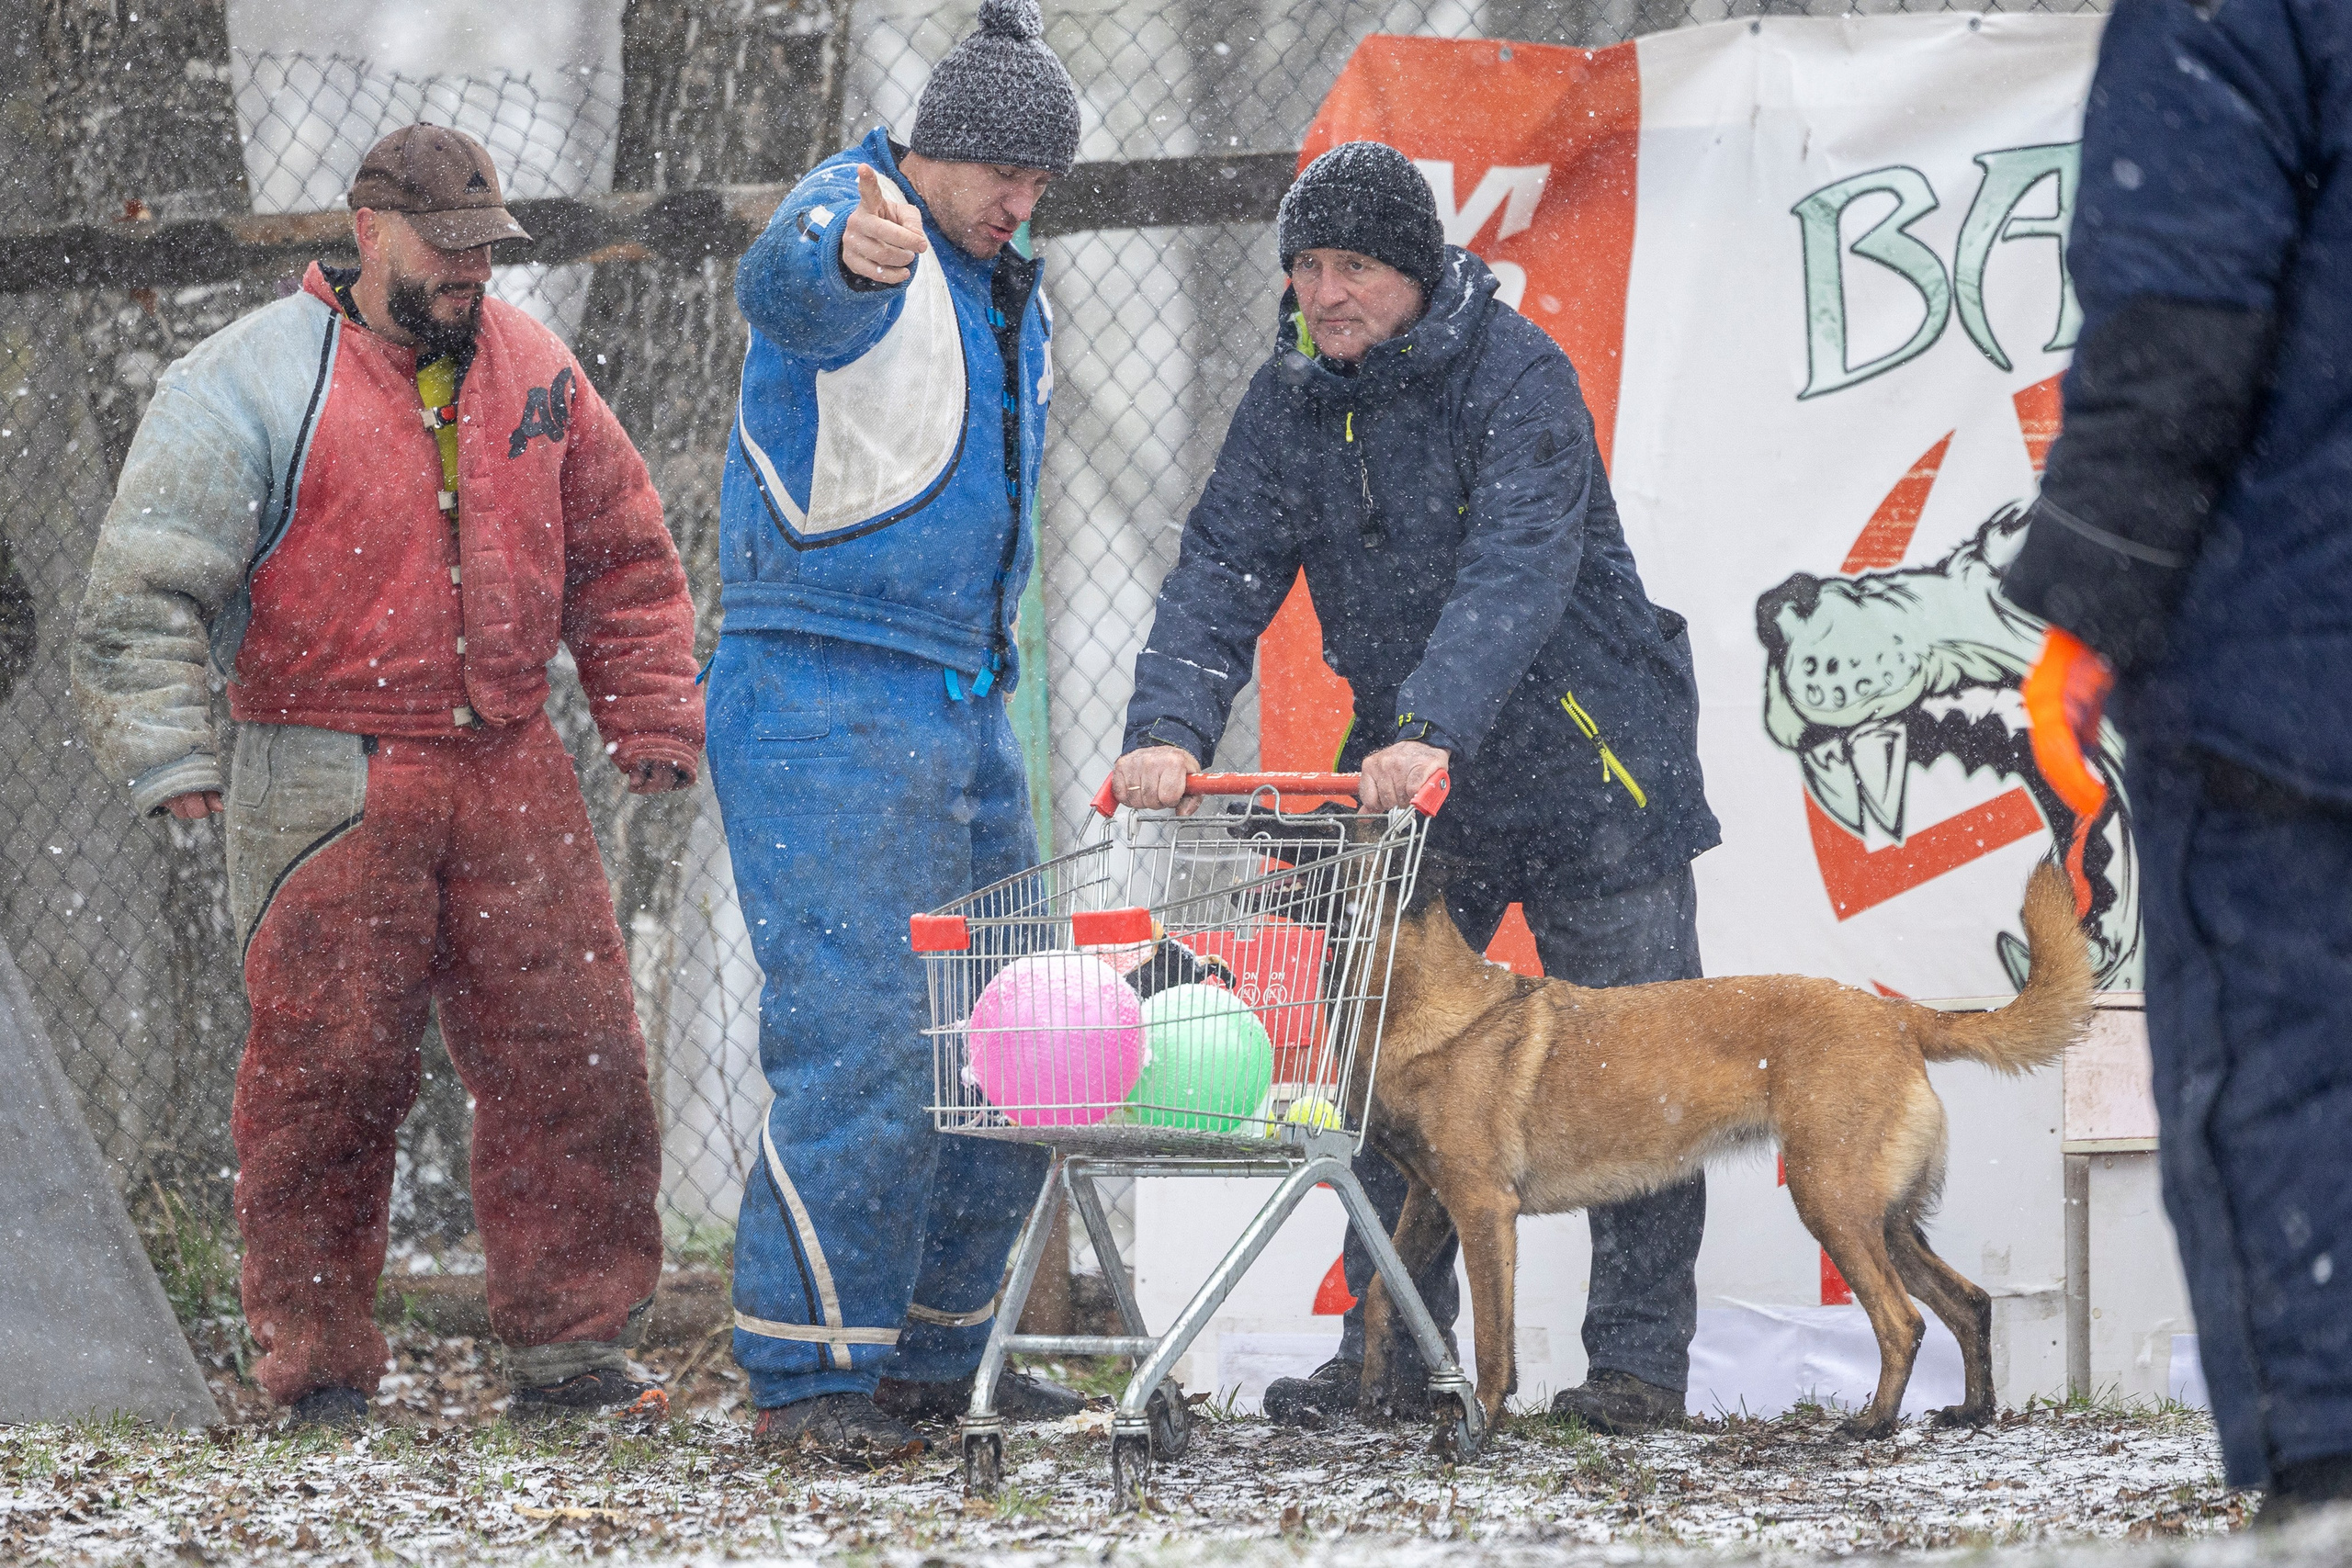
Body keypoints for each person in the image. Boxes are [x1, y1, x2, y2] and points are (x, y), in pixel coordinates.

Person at [73, 123, 703, 1429]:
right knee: (325, 1079)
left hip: (514, 758)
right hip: (322, 762)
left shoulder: (539, 370)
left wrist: (651, 715)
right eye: (447, 246)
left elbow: (627, 557)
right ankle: (319, 1374)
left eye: (488, 249)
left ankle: (572, 1353)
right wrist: (172, 752)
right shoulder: (240, 380)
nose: (473, 271)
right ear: (369, 230)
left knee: (574, 1060)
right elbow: (144, 589)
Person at [1112, 141, 1721, 1432]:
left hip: (1592, 756)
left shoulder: (1518, 378)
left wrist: (1433, 721)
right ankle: (1393, 1352)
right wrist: (1166, 726)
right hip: (1414, 778)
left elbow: (1516, 571)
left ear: (1419, 268)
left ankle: (1633, 1368)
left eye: (1356, 267)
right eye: (1306, 265)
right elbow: (1220, 570)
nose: (1324, 293)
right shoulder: (1286, 402)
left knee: (1643, 1067)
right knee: (1375, 1074)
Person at [708, 0, 1087, 1458]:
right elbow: (789, 285)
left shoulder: (1009, 283)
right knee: (863, 1035)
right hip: (821, 688)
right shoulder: (854, 210)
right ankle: (810, 1371)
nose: (1020, 203)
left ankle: (938, 1351)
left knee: (1017, 1036)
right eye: (1005, 176)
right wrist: (840, 254)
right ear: (934, 151)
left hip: (960, 698)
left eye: (1041, 184)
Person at [2003, 0, 2351, 1524]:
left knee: (2287, 1074)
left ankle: (2329, 1475)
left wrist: (2085, 612)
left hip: (2293, 664)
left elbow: (2181, 317)